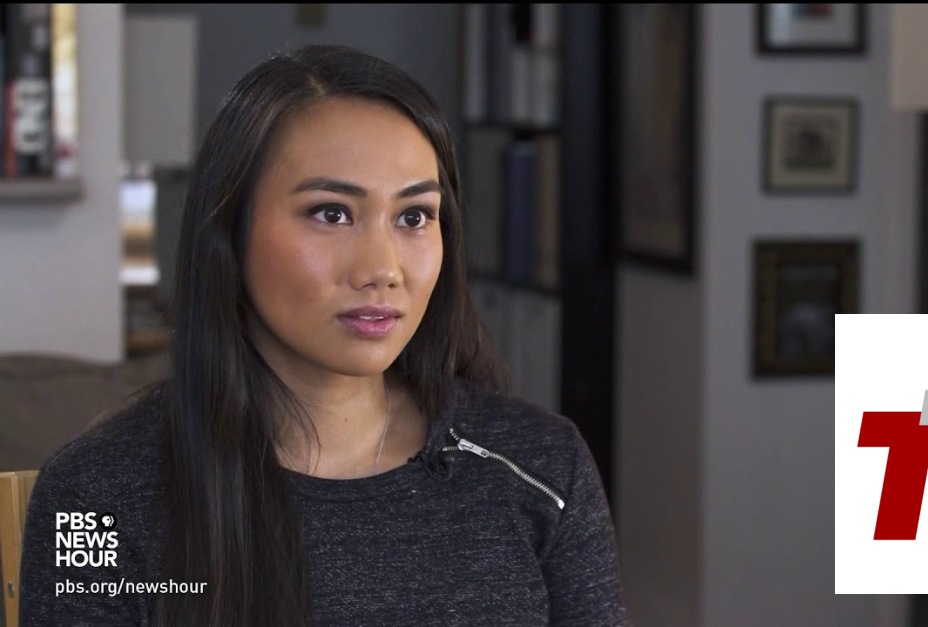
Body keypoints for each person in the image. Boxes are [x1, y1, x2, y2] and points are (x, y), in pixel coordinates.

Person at [19, 44, 628, 626]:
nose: (382, 269)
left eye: (414, 216)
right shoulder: (97, 495)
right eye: (331, 213)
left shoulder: (544, 467)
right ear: (229, 230)